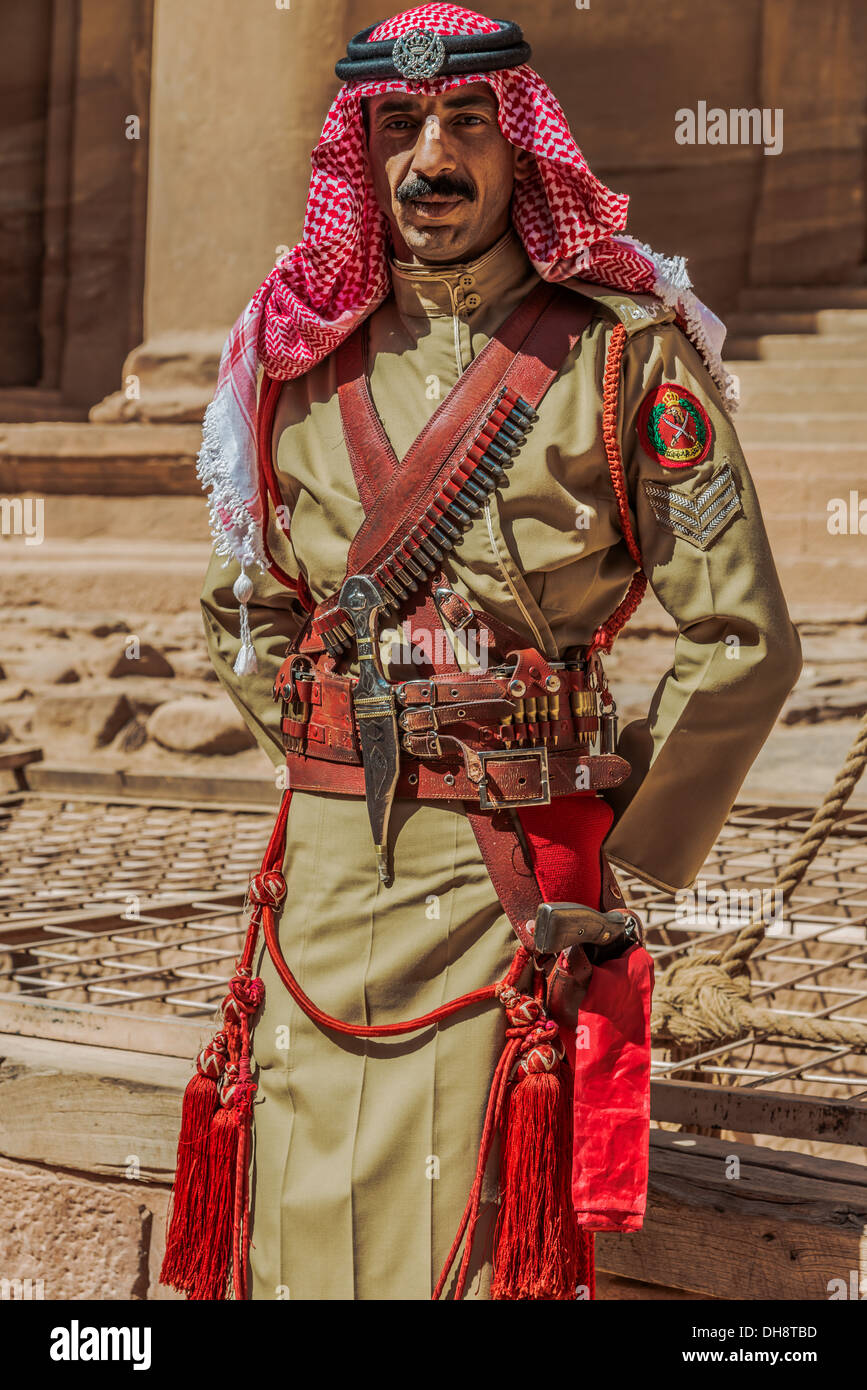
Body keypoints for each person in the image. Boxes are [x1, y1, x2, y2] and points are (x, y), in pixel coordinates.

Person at [162, 5, 802, 1302]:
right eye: (398, 127)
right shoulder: (293, 357)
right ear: (363, 148)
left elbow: (743, 639)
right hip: (322, 893)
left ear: (522, 149)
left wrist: (612, 827)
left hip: (514, 888)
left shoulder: (622, 362)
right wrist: (319, 728)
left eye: (466, 125)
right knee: (294, 1222)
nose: (431, 160)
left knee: (470, 1248)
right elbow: (238, 597)